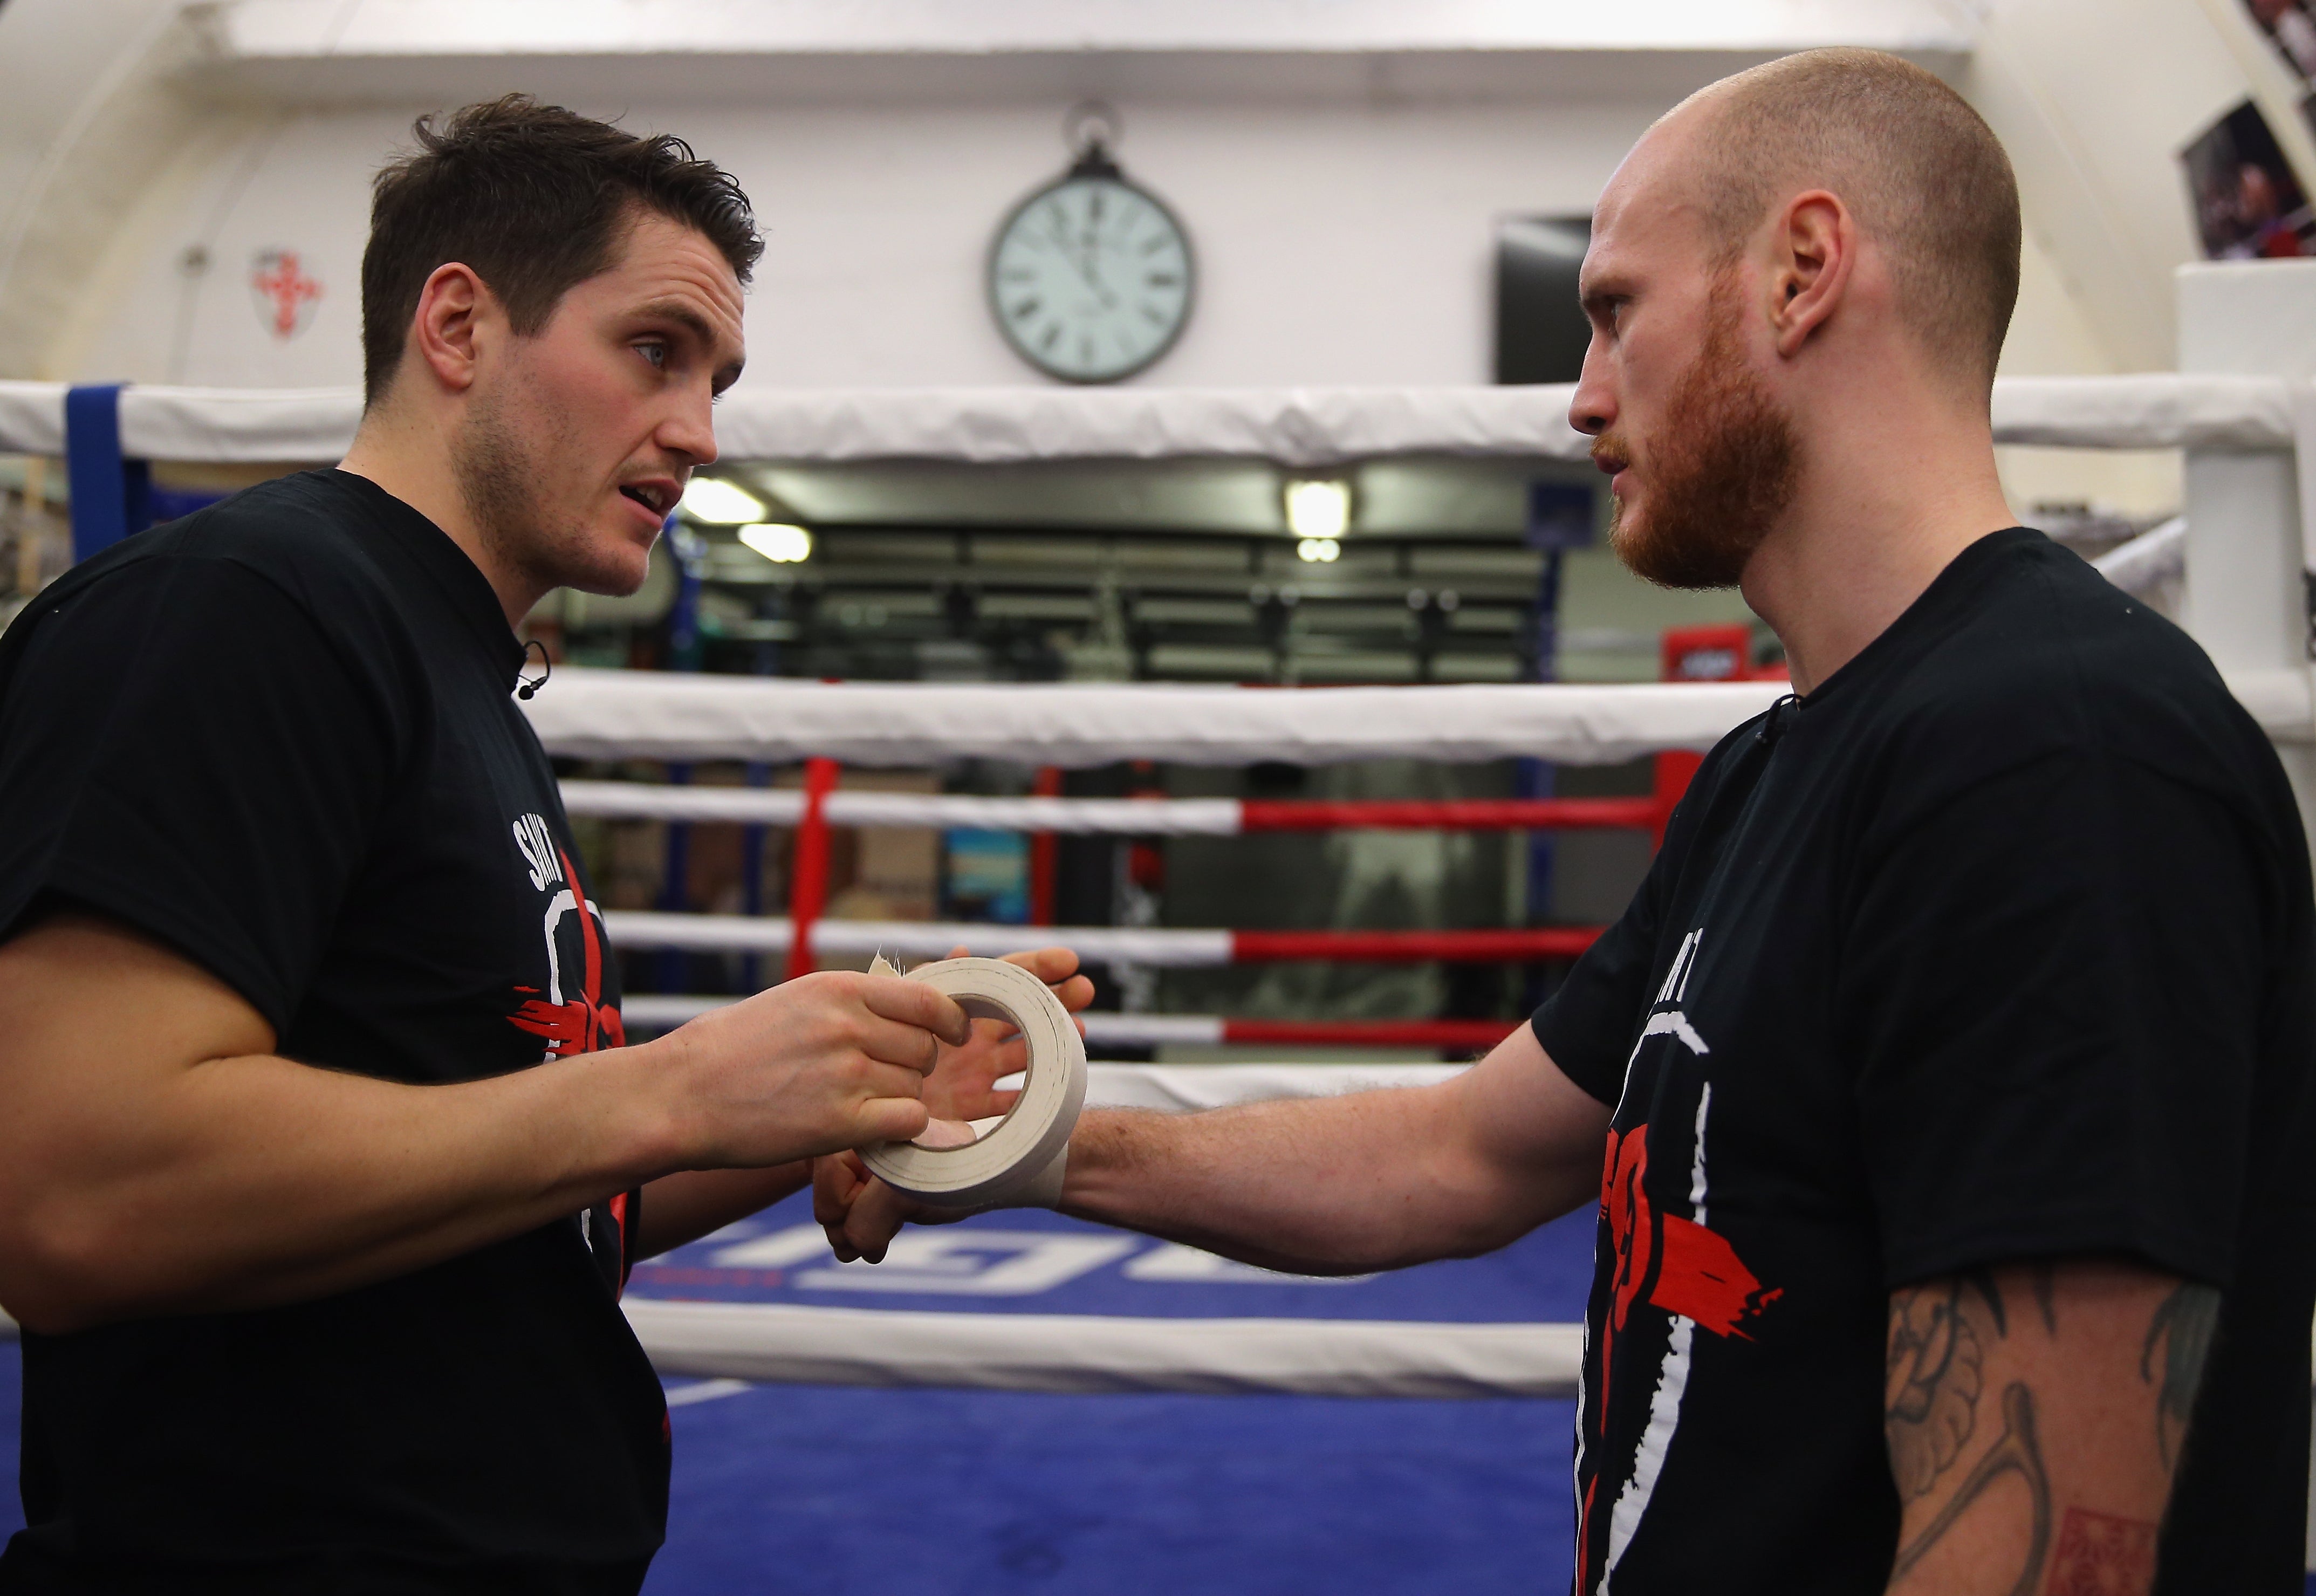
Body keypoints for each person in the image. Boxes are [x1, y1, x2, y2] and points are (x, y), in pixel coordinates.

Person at [820, 49, 2316, 1596]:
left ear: (1803, 269)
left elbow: (2054, 1544)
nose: (1583, 394)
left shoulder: (2049, 758)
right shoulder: (1785, 765)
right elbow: (1460, 1154)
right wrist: (1040, 1144)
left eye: (1614, 310)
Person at [0, 96, 1088, 1593]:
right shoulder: (248, 612)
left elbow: (529, 1191)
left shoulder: (455, 675)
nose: (700, 433)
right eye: (655, 350)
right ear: (458, 325)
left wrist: (817, 1102)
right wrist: (671, 1089)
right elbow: (74, 1195)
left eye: (717, 377)